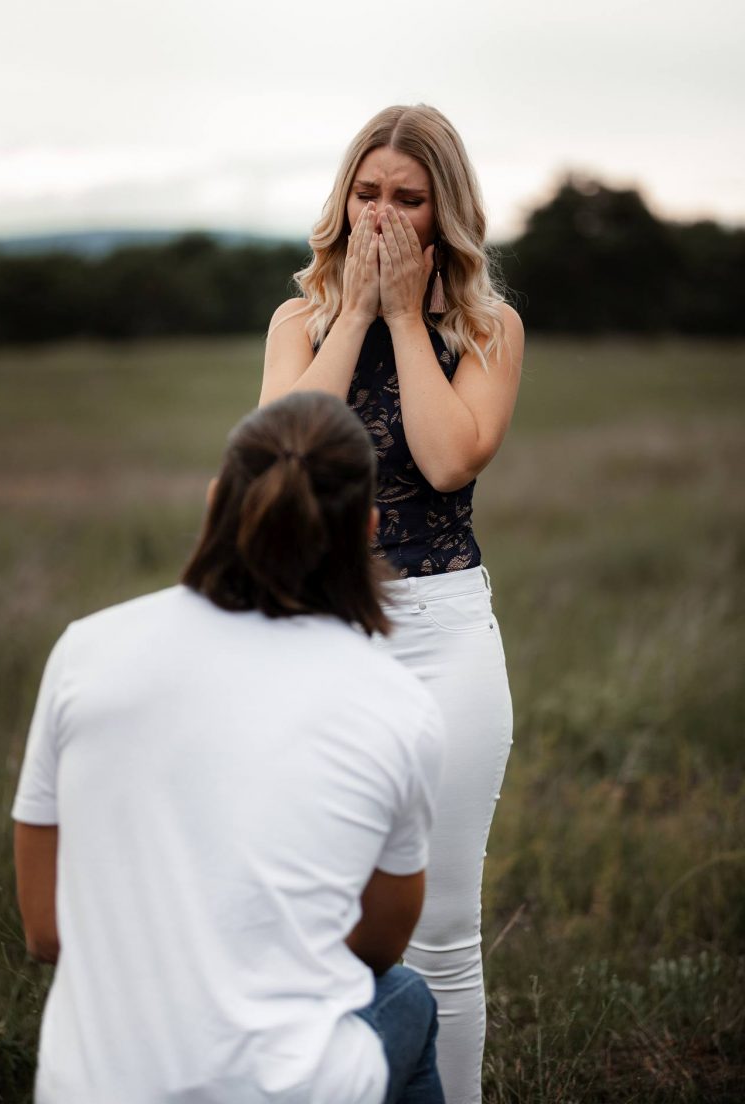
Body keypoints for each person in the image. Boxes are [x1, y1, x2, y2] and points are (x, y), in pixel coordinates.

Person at [12, 391, 447, 1104]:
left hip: (90, 1086)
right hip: (283, 1088)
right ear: (368, 528)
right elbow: (375, 947)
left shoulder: (86, 650)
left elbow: (45, 930)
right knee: (406, 998)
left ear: (216, 502)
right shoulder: (397, 704)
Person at [260, 104, 524, 1104]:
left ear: (442, 213)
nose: (381, 216)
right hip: (314, 634)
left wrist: (408, 320)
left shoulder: (489, 328)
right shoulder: (300, 321)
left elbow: (450, 455)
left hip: (441, 634)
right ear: (342, 202)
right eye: (365, 194)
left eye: (406, 200)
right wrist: (359, 316)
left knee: (444, 924)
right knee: (314, 917)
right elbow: (283, 456)